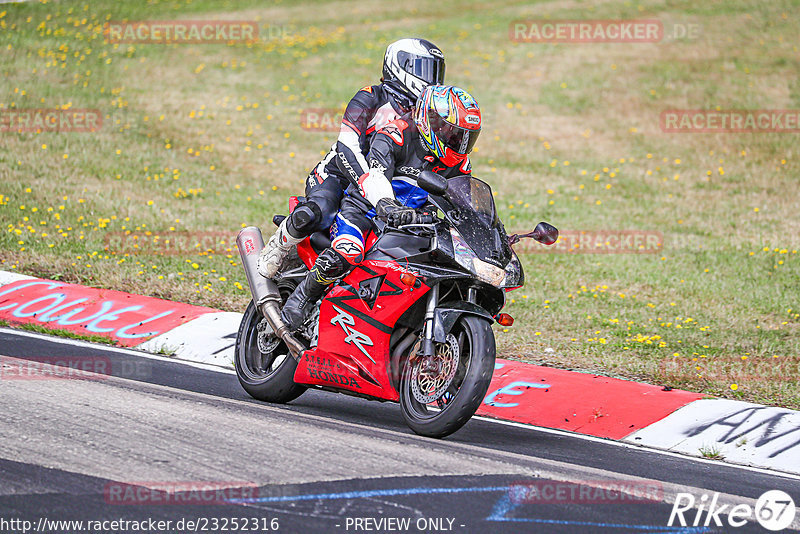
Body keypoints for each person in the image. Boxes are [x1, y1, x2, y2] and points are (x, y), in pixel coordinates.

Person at [280, 84, 482, 331]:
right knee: (349, 250)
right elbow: (375, 174)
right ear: (430, 121)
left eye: (465, 137)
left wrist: (483, 230)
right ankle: (301, 299)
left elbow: (463, 201)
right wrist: (388, 205)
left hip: (413, 224)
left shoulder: (460, 164)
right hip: (365, 210)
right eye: (452, 134)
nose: (459, 144)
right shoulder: (395, 136)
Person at [257, 38, 446, 279]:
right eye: (423, 69)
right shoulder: (369, 98)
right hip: (339, 174)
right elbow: (347, 147)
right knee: (319, 211)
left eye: (435, 70)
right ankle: (279, 245)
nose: (431, 78)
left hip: (385, 183)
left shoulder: (426, 112)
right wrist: (373, 190)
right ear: (400, 67)